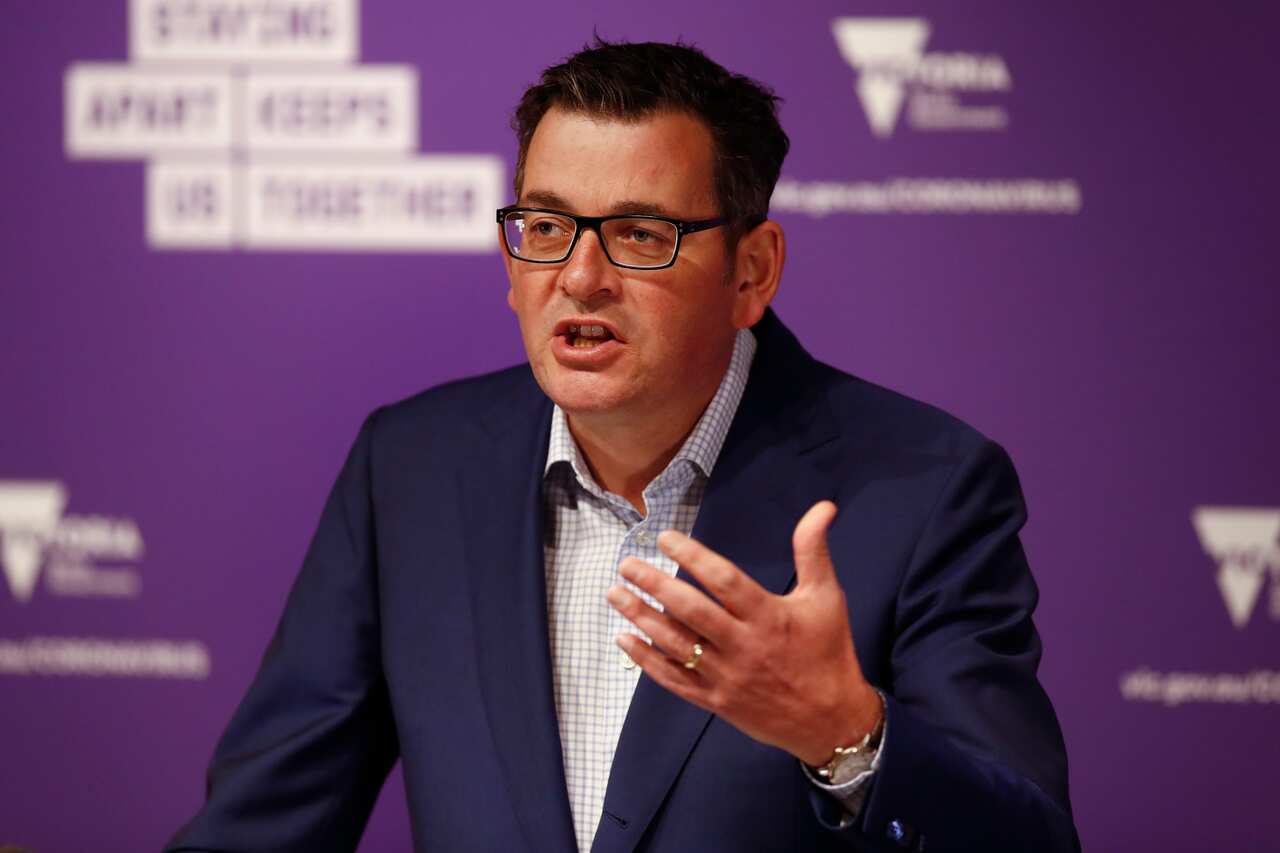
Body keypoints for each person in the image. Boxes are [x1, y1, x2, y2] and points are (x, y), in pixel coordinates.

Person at [168, 39, 1079, 853]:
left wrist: (847, 734)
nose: (580, 277)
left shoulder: (923, 488)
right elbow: (261, 824)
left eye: (640, 233)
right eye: (548, 226)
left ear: (751, 271)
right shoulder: (410, 469)